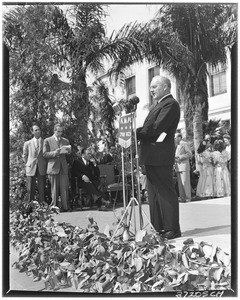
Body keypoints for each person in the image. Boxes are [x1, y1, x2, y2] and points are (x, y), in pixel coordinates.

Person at [136, 75, 181, 240]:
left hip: (160, 155)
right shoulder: (158, 104)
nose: (151, 90)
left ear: (166, 87)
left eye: (154, 86)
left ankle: (172, 228)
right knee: (153, 193)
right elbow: (150, 127)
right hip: (151, 155)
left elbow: (156, 128)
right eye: (150, 87)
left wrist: (136, 133)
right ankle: (160, 227)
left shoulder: (170, 104)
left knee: (164, 192)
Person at [43, 123, 71, 211]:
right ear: (54, 130)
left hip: (63, 167)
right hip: (53, 167)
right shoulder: (47, 140)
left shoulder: (65, 140)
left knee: (64, 188)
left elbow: (68, 152)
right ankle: (54, 207)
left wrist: (68, 151)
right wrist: (55, 153)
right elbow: (44, 154)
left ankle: (65, 207)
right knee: (54, 189)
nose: (60, 133)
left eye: (61, 132)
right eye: (58, 131)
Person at [22, 124, 47, 203]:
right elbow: (24, 155)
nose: (38, 131)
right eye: (36, 130)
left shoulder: (45, 142)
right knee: (30, 189)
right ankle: (30, 208)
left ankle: (42, 207)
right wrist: (28, 164)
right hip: (31, 167)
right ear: (32, 132)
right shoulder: (27, 143)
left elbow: (46, 155)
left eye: (39, 129)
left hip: (41, 167)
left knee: (41, 189)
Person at [175, 133, 192, 202]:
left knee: (185, 183)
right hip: (178, 166)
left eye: (175, 138)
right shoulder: (177, 146)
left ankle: (188, 198)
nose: (174, 139)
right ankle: (182, 198)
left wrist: (180, 157)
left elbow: (189, 154)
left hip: (184, 166)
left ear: (179, 137)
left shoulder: (184, 144)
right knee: (180, 184)